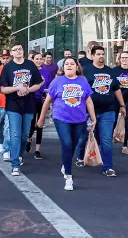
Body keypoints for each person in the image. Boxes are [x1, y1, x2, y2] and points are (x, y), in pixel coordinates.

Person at [37, 57, 97, 191]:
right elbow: (47, 101)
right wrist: (41, 118)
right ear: (63, 68)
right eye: (67, 64)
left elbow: (88, 101)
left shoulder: (82, 81)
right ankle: (69, 177)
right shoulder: (57, 81)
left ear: (77, 67)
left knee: (73, 145)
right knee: (67, 143)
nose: (69, 66)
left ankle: (66, 163)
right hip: (61, 118)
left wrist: (93, 119)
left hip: (79, 119)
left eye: (72, 64)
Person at [76, 45, 126, 176]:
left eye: (103, 54)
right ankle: (81, 157)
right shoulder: (85, 71)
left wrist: (122, 106)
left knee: (106, 139)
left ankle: (107, 167)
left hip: (108, 111)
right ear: (92, 56)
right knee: (83, 136)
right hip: (88, 111)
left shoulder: (110, 71)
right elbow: (79, 89)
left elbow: (116, 89)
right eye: (98, 54)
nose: (101, 56)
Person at [0, 43, 43, 176]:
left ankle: (19, 155)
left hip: (29, 104)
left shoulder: (30, 65)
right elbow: (2, 89)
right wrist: (17, 88)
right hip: (13, 105)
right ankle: (15, 165)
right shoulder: (8, 67)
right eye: (15, 49)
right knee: (15, 134)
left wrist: (28, 89)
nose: (18, 51)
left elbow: (38, 83)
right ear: (11, 53)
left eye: (20, 49)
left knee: (25, 135)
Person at [26, 52, 51, 159]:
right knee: (31, 124)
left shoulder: (46, 72)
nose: (38, 61)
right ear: (32, 59)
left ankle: (37, 150)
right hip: (30, 99)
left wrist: (48, 98)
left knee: (40, 124)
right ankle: (28, 139)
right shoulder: (29, 72)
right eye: (36, 59)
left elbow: (50, 86)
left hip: (42, 100)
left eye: (41, 59)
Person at [113, 51, 128, 154]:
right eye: (122, 57)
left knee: (127, 122)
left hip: (127, 99)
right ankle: (108, 142)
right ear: (119, 59)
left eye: (126, 57)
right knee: (112, 121)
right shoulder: (114, 71)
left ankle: (125, 144)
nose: (124, 59)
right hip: (115, 99)